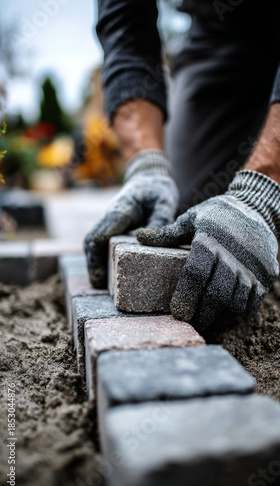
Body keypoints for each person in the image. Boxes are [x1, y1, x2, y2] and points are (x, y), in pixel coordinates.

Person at [84, 0, 280, 331]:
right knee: (191, 219)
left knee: (252, 222)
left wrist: (264, 192)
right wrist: (146, 164)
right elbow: (125, 28)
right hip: (224, 30)